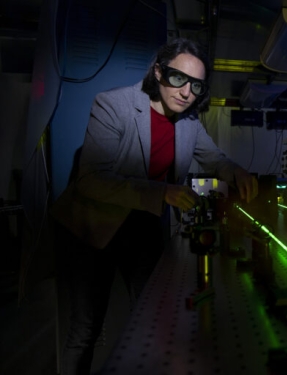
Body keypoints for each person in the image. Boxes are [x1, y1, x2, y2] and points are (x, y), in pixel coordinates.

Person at [50, 37, 258, 374]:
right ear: (159, 72)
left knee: (152, 320)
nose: (186, 92)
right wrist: (161, 192)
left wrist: (236, 171)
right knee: (84, 331)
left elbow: (214, 159)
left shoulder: (190, 122)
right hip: (92, 229)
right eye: (178, 78)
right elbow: (91, 180)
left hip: (142, 227)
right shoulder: (113, 105)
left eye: (196, 85)